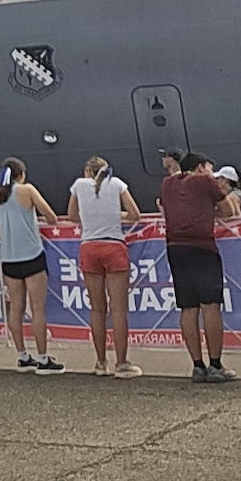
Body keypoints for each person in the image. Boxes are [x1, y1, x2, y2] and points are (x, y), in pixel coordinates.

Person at [158, 152, 235, 384]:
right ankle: (215, 364)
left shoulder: (167, 183)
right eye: (210, 168)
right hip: (202, 246)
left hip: (175, 247)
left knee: (188, 307)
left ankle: (197, 366)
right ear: (201, 167)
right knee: (211, 305)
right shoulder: (204, 181)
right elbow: (228, 210)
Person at [0, 158, 64, 374]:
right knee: (37, 308)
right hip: (31, 254)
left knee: (16, 308)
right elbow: (51, 216)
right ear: (22, 174)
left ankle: (21, 355)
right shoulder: (27, 190)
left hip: (9, 257)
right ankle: (43, 358)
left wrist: (1, 222)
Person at [67, 157, 143, 377]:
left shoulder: (79, 185)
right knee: (118, 309)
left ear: (88, 170)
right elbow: (135, 214)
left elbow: (72, 216)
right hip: (114, 245)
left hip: (89, 247)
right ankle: (121, 363)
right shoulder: (118, 184)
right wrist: (116, 215)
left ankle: (101, 362)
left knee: (97, 309)